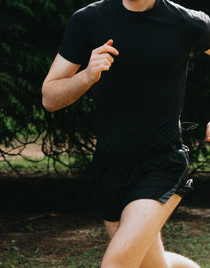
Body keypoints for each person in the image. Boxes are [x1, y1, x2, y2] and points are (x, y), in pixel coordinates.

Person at [42, 0, 210, 267]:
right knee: (152, 265)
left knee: (117, 264)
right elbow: (49, 97)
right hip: (109, 168)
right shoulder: (87, 20)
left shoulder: (186, 23)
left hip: (163, 163)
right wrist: (87, 75)